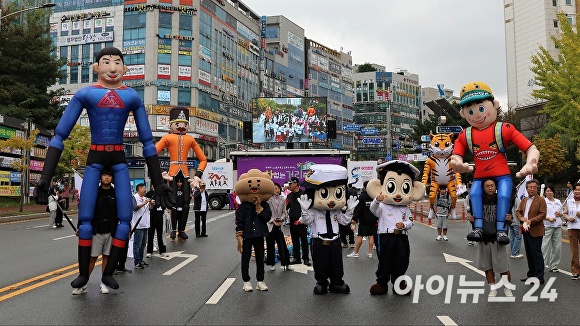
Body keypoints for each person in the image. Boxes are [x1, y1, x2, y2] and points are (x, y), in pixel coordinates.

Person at [34, 47, 174, 291]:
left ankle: (108, 273)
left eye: (117, 62)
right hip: (95, 157)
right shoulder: (85, 94)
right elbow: (59, 136)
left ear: (125, 69)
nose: (112, 67)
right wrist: (45, 178)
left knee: (124, 219)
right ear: (96, 67)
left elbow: (148, 142)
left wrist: (159, 182)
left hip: (119, 159)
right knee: (85, 219)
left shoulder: (131, 96)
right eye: (106, 62)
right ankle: (84, 276)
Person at [451, 81, 539, 244]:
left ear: (494, 105)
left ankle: (501, 230)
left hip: (501, 173)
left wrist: (531, 162)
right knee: (475, 194)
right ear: (464, 114)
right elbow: (456, 154)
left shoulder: (503, 128)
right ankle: (478, 228)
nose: (477, 114)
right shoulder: (466, 135)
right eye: (470, 111)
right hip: (480, 174)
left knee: (505, 194)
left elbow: (530, 147)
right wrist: (457, 163)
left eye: (481, 108)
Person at [297, 164, 358, 295]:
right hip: (319, 240)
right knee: (320, 263)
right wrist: (304, 210)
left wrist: (350, 210)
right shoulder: (313, 209)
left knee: (336, 263)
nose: (331, 200)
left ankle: (336, 282)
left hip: (335, 239)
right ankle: (322, 282)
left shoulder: (336, 210)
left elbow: (344, 221)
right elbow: (307, 221)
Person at [366, 160, 425, 295]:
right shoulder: (382, 206)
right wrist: (377, 200)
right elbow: (373, 210)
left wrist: (403, 225)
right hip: (385, 236)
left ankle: (399, 283)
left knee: (402, 260)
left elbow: (411, 222)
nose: (398, 194)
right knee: (385, 260)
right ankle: (382, 283)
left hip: (401, 237)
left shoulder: (406, 208)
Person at [72, 170, 118, 295]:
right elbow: (85, 210)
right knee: (91, 258)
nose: (107, 177)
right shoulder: (94, 191)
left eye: (109, 175)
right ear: (100, 177)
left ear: (112, 178)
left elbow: (121, 212)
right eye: (104, 175)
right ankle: (83, 283)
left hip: (111, 230)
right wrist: (80, 226)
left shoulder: (116, 192)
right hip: (95, 230)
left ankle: (104, 283)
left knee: (107, 257)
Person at [156, 106, 207, 214]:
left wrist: (198, 175)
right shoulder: (167, 138)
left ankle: (182, 230)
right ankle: (174, 229)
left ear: (188, 125)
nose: (181, 127)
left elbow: (203, 159)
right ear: (171, 125)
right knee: (172, 200)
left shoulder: (190, 139)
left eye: (184, 125)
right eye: (177, 124)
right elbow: (152, 154)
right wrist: (161, 171)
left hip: (185, 172)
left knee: (186, 202)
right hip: (172, 172)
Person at [470, 179, 513, 297]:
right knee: (487, 267)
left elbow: (509, 221)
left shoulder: (502, 200)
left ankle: (507, 288)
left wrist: (509, 219)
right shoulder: (479, 201)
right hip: (484, 238)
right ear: (483, 188)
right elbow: (474, 218)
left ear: (496, 187)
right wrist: (472, 220)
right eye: (487, 186)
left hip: (498, 239)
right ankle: (492, 288)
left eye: (492, 185)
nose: (490, 188)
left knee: (503, 267)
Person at [235, 169, 275, 292]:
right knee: (245, 258)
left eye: (257, 184)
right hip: (247, 235)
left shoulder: (265, 205)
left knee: (259, 258)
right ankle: (246, 281)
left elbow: (267, 218)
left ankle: (260, 281)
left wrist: (259, 208)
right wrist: (239, 235)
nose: (253, 186)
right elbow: (239, 221)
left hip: (259, 234)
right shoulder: (242, 206)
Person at [516, 179, 547, 284]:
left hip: (536, 230)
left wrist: (530, 221)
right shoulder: (524, 199)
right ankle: (531, 275)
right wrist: (522, 218)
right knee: (529, 254)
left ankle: (539, 276)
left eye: (534, 187)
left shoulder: (541, 200)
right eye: (530, 187)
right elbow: (518, 211)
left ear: (537, 188)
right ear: (527, 188)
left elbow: (543, 214)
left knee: (536, 254)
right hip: (525, 230)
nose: (532, 189)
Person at [347, 181, 378, 259]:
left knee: (360, 235)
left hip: (364, 219)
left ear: (365, 188)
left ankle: (356, 252)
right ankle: (370, 253)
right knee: (371, 236)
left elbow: (359, 209)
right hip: (373, 219)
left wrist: (354, 218)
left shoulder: (362, 197)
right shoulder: (375, 197)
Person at [266, 182, 291, 271]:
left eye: (278, 188)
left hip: (280, 224)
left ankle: (286, 263)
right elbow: (266, 213)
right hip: (271, 225)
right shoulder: (267, 200)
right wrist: (273, 221)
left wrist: (281, 219)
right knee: (270, 245)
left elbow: (285, 212)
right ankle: (271, 263)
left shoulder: (283, 199)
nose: (277, 190)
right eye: (275, 188)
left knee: (282, 244)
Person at [286, 176, 311, 266]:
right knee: (294, 240)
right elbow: (286, 207)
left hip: (302, 221)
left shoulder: (303, 194)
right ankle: (297, 258)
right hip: (292, 221)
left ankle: (306, 258)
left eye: (290, 184)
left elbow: (308, 209)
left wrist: (302, 220)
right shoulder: (289, 195)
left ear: (295, 183)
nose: (289, 185)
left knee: (304, 240)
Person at [542, 185, 563, 273]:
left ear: (553, 192)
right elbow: (541, 213)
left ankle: (554, 265)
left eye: (551, 191)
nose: (549, 192)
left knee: (557, 247)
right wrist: (548, 218)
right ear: (545, 192)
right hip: (547, 226)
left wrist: (560, 214)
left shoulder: (558, 201)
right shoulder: (543, 201)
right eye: (547, 191)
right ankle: (541, 265)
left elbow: (562, 213)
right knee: (544, 246)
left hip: (557, 226)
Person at [562, 182, 580, 280]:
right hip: (572, 228)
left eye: (579, 190)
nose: (577, 191)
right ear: (573, 191)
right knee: (574, 251)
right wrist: (568, 218)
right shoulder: (569, 201)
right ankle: (575, 271)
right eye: (576, 190)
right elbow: (564, 213)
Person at [132, 183, 152, 269]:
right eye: (144, 188)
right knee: (138, 244)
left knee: (143, 244)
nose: (145, 190)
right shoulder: (134, 197)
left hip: (145, 224)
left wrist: (151, 205)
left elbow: (149, 209)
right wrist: (144, 203)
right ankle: (137, 262)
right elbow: (134, 208)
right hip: (138, 225)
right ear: (139, 189)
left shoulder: (145, 198)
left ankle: (140, 259)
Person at [146, 185, 168, 259]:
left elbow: (165, 203)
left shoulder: (162, 193)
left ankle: (162, 251)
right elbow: (146, 203)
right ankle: (149, 251)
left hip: (160, 215)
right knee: (150, 234)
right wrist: (151, 203)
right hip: (151, 215)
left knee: (160, 234)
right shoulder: (149, 193)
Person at [508, 187, 523, 258]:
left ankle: (512, 252)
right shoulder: (516, 200)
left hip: (510, 222)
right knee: (518, 237)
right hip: (516, 221)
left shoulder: (507, 200)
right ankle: (515, 253)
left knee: (512, 237)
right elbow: (518, 211)